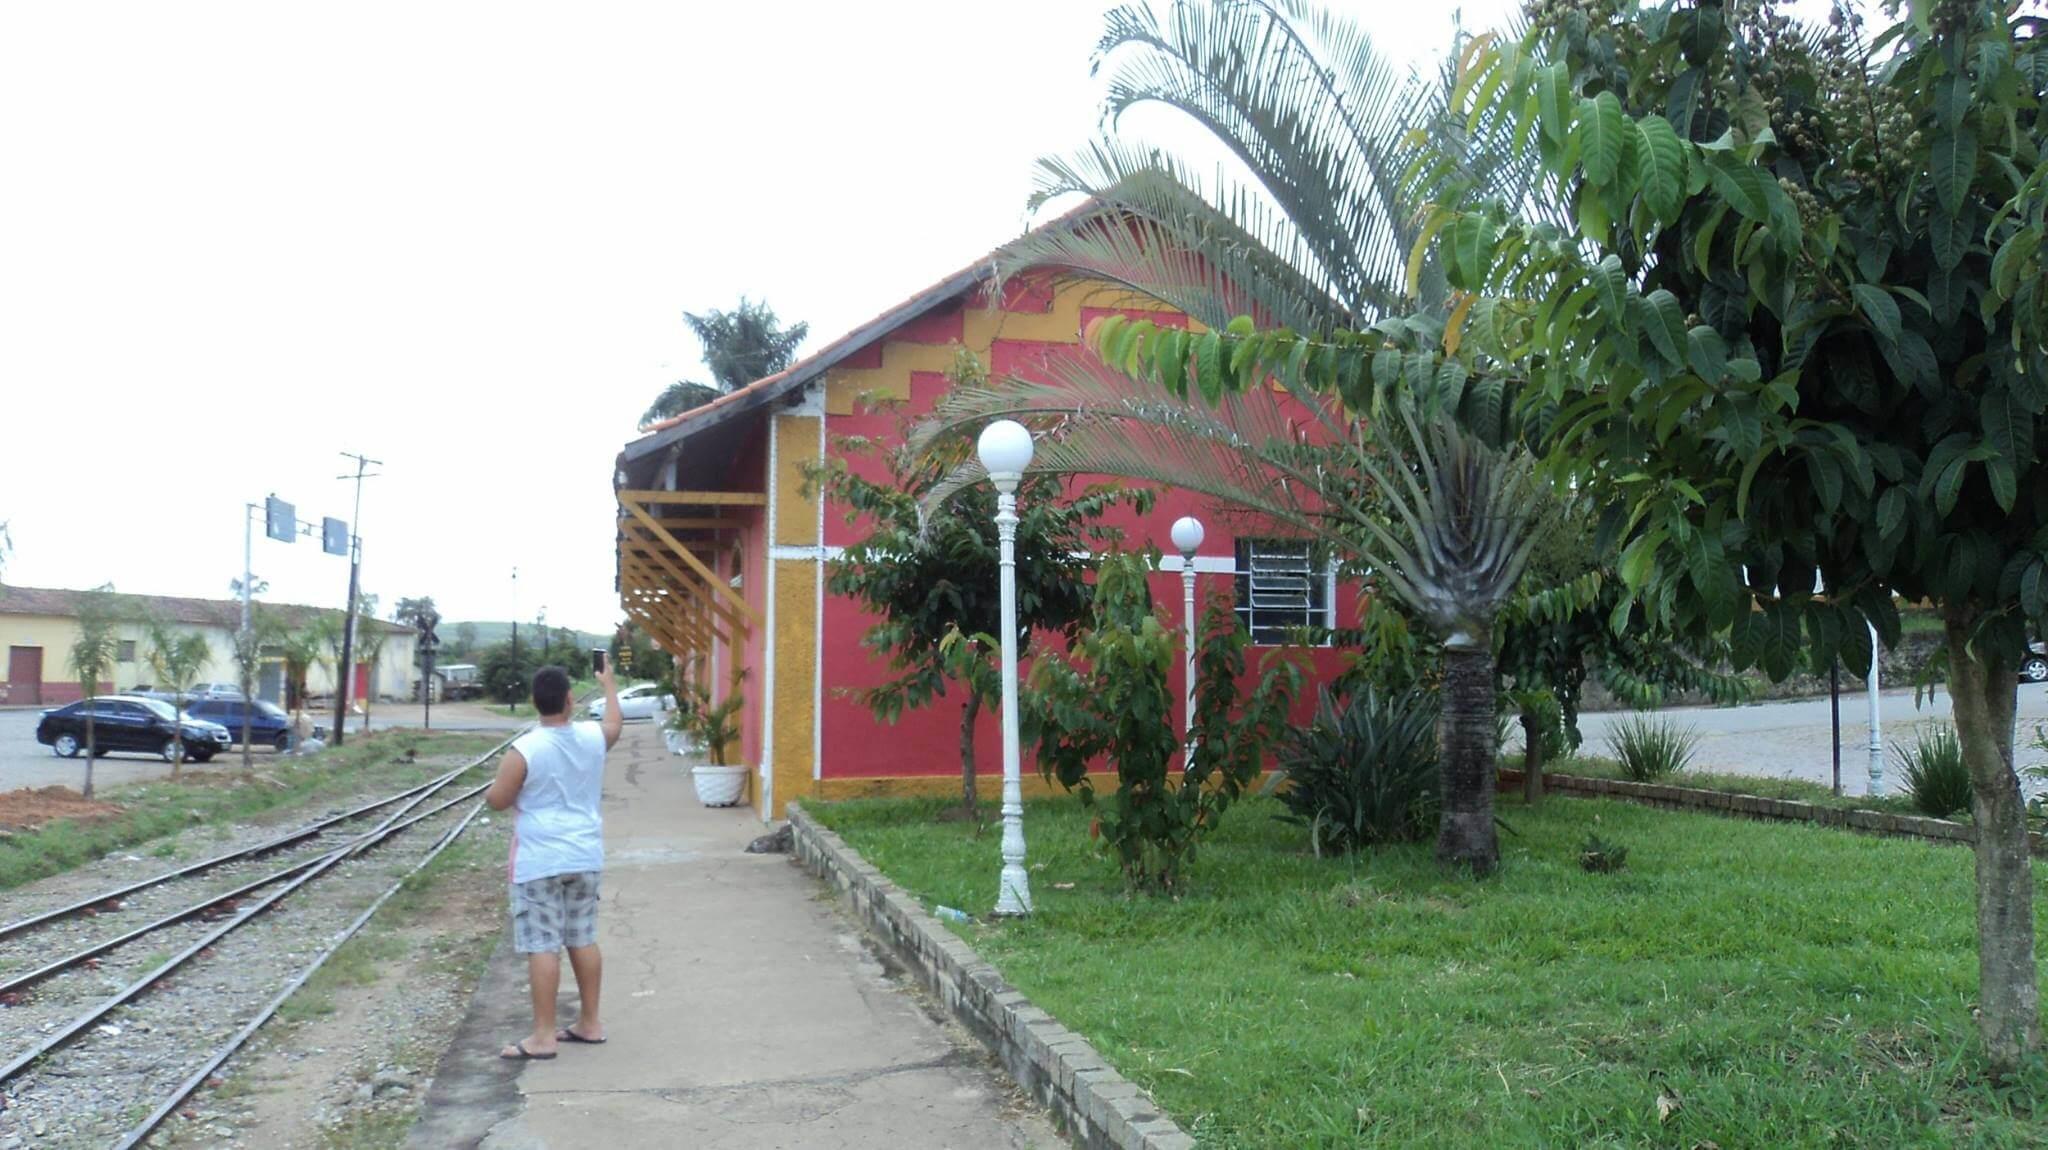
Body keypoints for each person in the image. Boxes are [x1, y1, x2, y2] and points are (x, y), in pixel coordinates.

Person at [486, 660, 622, 1060]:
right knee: (582, 937)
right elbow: (615, 725)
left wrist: (495, 790)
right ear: (569, 700)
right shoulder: (591, 737)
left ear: (534, 702)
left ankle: (544, 1036)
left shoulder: (525, 749)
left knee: (543, 945)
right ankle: (591, 1023)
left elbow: (497, 800)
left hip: (540, 860)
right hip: (584, 856)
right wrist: (609, 685)